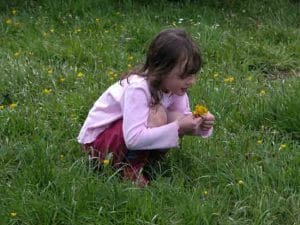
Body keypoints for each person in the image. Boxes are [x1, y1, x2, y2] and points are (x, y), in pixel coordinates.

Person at [77, 28, 215, 186]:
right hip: (99, 143)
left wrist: (202, 126)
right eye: (183, 76)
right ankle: (128, 169)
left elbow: (184, 123)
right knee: (159, 115)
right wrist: (177, 127)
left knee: (177, 117)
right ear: (162, 70)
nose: (191, 82)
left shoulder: (176, 91)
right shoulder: (138, 88)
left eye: (193, 74)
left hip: (121, 138)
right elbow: (133, 139)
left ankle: (147, 160)